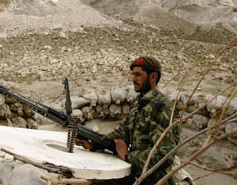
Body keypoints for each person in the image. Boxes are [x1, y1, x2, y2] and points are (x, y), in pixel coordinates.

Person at [77, 56, 179, 185]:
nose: (133, 79)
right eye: (132, 74)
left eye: (138, 75)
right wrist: (94, 144)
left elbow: (164, 156)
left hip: (154, 180)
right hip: (133, 172)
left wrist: (128, 156)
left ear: (153, 76)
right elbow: (121, 134)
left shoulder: (163, 107)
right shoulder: (138, 103)